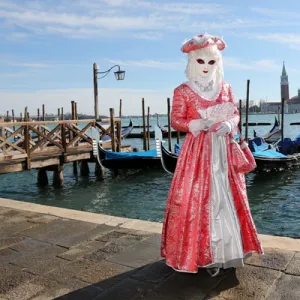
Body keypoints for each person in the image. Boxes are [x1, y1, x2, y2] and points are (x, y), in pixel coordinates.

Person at [161, 34, 263, 277]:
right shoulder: (182, 91)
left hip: (224, 151)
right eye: (201, 62)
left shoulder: (225, 88)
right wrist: (193, 124)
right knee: (198, 202)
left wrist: (230, 124)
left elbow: (235, 113)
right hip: (196, 153)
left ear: (218, 63)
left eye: (211, 62)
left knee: (226, 199)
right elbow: (176, 120)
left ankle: (226, 253)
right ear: (192, 61)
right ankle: (202, 256)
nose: (206, 67)